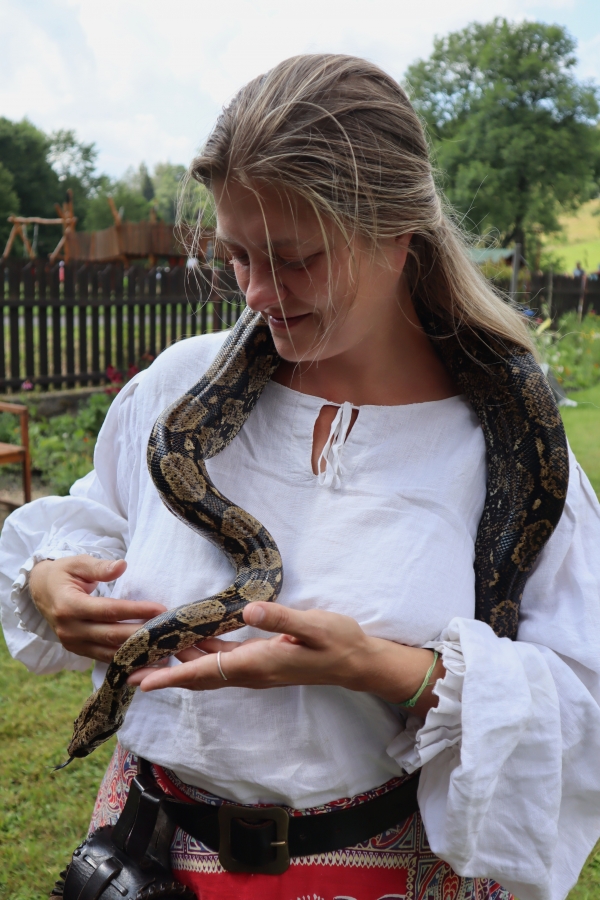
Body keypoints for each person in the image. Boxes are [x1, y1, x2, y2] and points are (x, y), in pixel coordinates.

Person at [2, 54, 600, 900]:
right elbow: (101, 519)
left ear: (400, 234)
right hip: (148, 858)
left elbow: (579, 707)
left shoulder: (509, 449)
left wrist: (377, 666)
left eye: (294, 259)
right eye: (236, 256)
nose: (256, 294)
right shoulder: (176, 390)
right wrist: (49, 579)